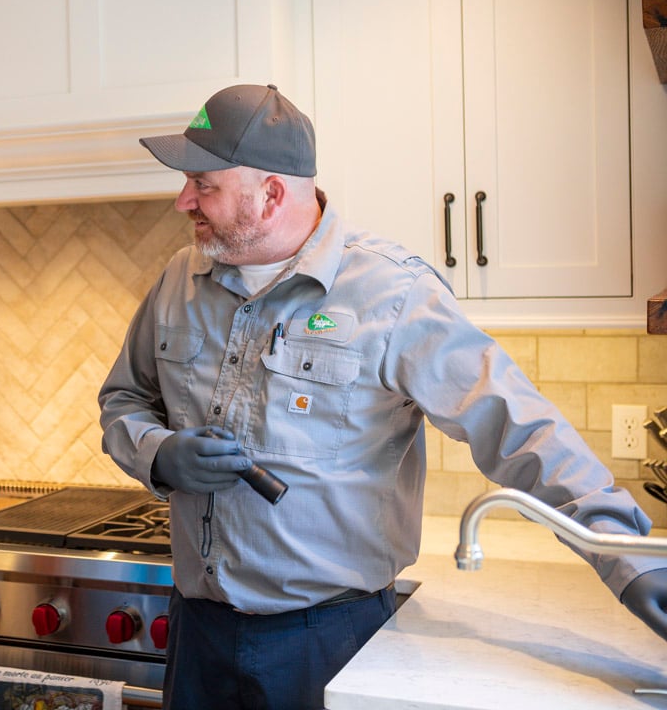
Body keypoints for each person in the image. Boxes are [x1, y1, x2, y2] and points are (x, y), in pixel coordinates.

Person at [97, 83, 667, 709]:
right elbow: (124, 398)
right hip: (197, 634)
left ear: (272, 192)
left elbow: (516, 427)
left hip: (329, 641)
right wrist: (158, 453)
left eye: (204, 184)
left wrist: (625, 555)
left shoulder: (392, 294)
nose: (183, 200)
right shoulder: (180, 278)